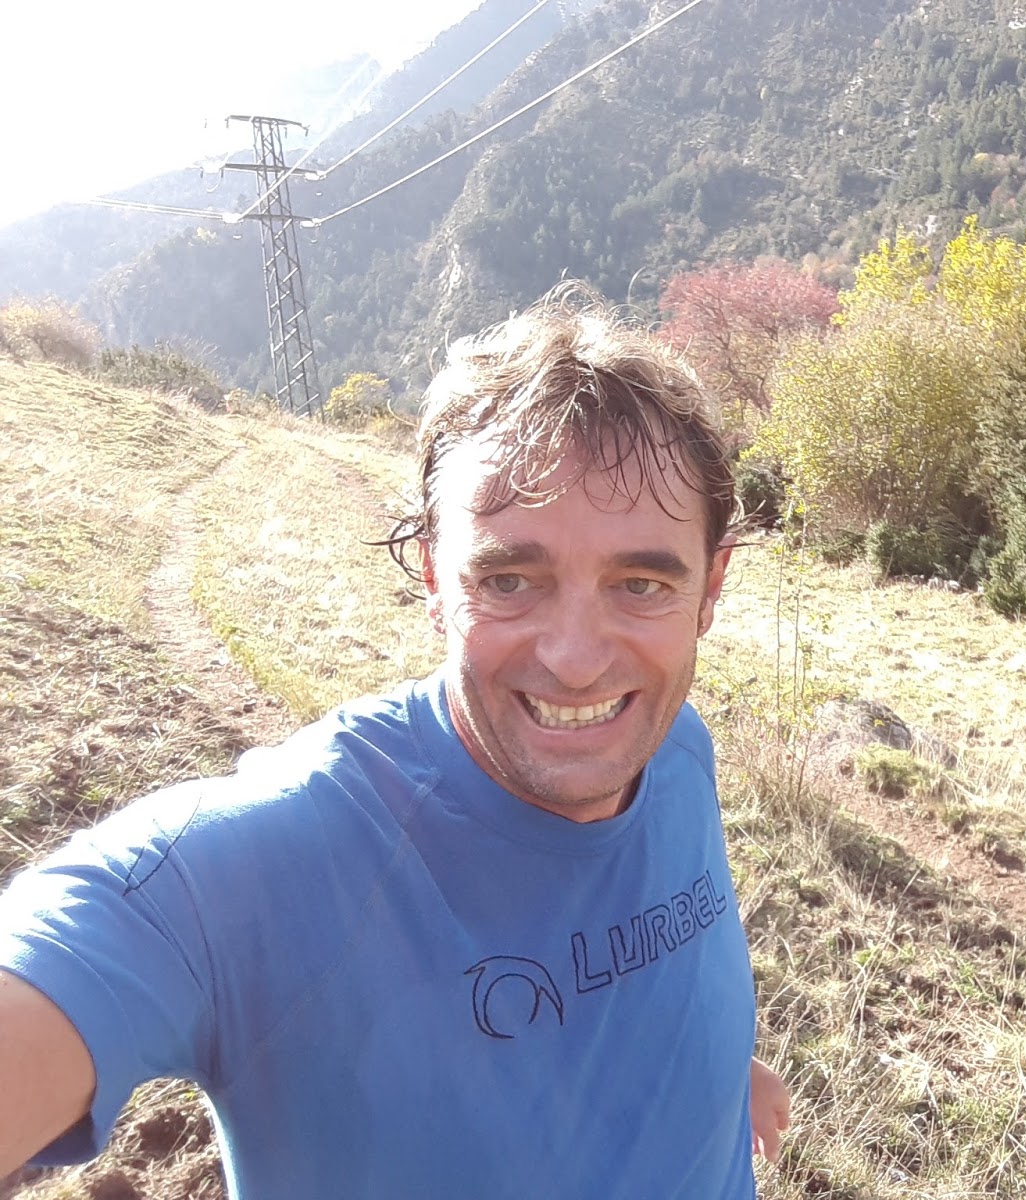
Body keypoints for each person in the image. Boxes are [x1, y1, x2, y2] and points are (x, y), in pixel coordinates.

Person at [0, 287, 791, 1197]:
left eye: (642, 585)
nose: (576, 662)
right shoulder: (264, 870)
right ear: (433, 578)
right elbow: (74, 957)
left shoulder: (675, 747)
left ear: (710, 587)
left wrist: (717, 1073)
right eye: (509, 579)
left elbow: (632, 969)